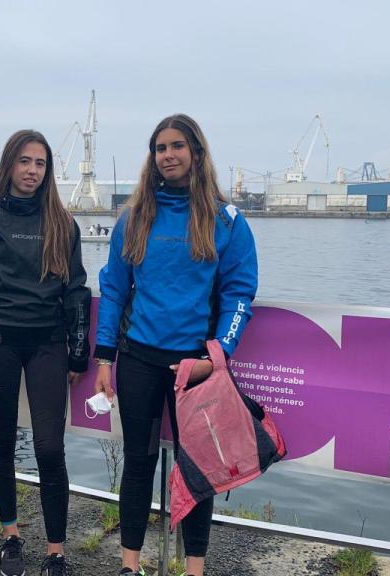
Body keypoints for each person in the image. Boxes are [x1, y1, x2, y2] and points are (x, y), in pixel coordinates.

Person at [94, 114, 258, 576]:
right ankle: (129, 565)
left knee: (198, 470)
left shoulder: (227, 221)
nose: (168, 155)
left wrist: (216, 357)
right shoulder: (134, 218)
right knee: (139, 464)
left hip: (196, 370)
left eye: (177, 146)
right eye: (160, 148)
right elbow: (114, 290)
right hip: (140, 360)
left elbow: (239, 294)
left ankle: (194, 570)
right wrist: (105, 356)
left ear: (196, 153)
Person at [0, 130, 91, 576]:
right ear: (10, 164)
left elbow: (75, 290)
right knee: (1, 443)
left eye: (41, 163)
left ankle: (56, 550)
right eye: (25, 162)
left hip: (47, 344)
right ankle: (11, 536)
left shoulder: (62, 222)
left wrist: (77, 352)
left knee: (51, 449)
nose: (33, 171)